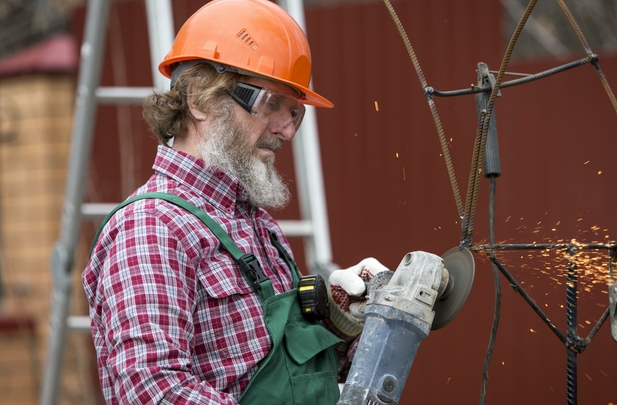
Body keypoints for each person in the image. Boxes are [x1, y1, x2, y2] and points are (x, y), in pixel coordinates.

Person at [82, 0, 388, 403]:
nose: (285, 131)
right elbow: (154, 390)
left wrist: (344, 325)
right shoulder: (153, 228)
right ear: (200, 99)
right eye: (270, 104)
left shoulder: (257, 225)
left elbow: (279, 373)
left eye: (294, 113)